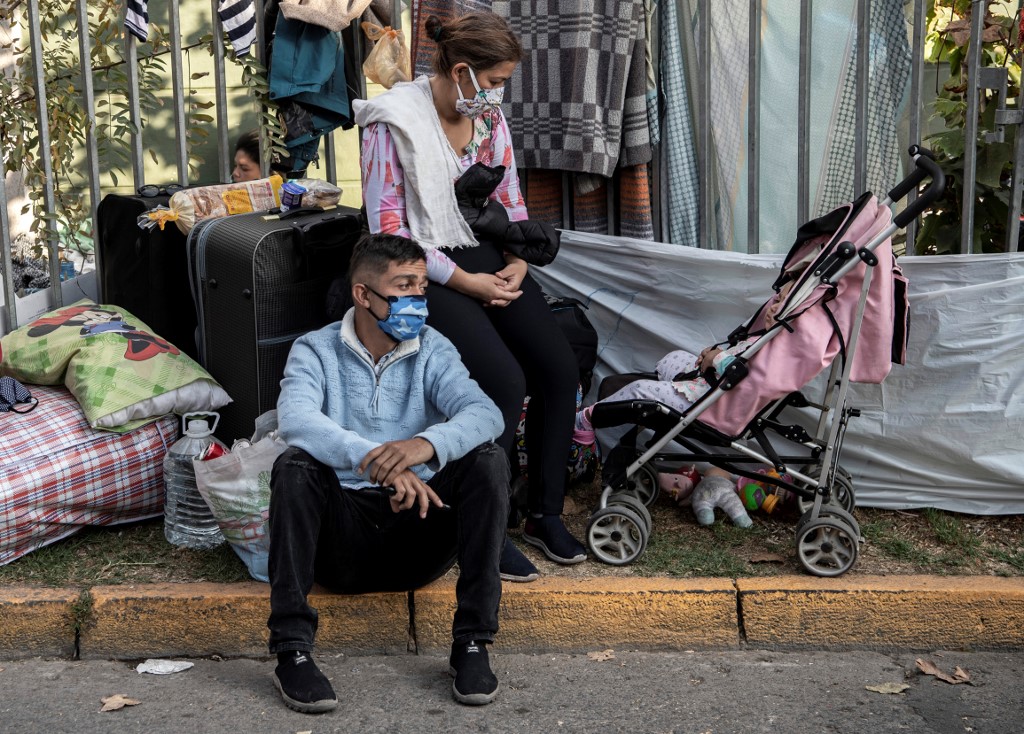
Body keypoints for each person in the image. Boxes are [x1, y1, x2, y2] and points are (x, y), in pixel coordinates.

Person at [354, 12, 585, 582]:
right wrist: (466, 283)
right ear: (462, 72)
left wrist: (516, 262)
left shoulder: (488, 119)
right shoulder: (394, 124)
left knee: (557, 368)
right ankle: (487, 521)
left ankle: (544, 513)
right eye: (498, 80)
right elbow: (392, 232)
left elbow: (510, 201)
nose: (501, 92)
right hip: (420, 271)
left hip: (487, 256)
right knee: (502, 382)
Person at [267, 233, 511, 713]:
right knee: (293, 466)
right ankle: (291, 651)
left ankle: (472, 644)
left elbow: (486, 413)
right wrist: (380, 462)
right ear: (363, 294)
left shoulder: (432, 348)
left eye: (422, 287)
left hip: (418, 532)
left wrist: (421, 447)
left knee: (489, 459)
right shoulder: (313, 350)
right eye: (404, 286)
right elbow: (296, 419)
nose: (418, 300)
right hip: (340, 542)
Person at [573, 280, 798, 444]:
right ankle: (668, 385)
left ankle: (585, 420)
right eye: (776, 300)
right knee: (675, 356)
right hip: (709, 385)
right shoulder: (763, 338)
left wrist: (716, 358)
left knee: (639, 390)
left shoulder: (777, 355)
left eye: (783, 305)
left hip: (712, 404)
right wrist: (712, 354)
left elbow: (746, 375)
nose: (774, 308)